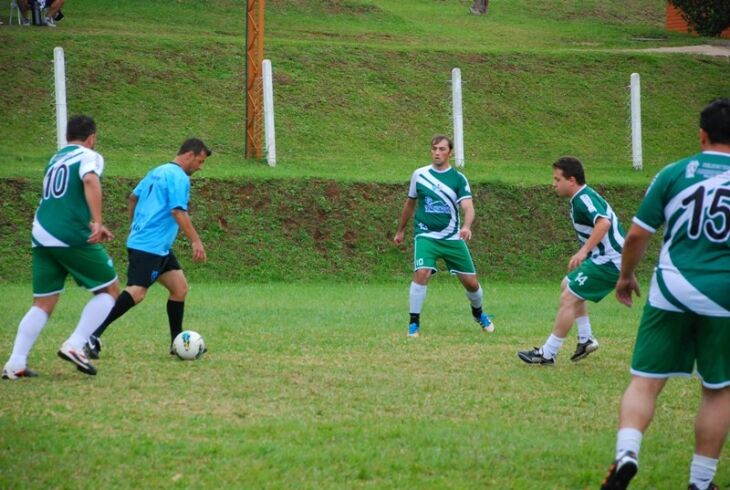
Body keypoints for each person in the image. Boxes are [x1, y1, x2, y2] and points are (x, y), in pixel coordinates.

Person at [601, 98, 730, 490]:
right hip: (724, 296)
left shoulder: (674, 174)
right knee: (718, 389)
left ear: (702, 135)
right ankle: (701, 481)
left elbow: (638, 234)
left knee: (645, 381)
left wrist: (625, 276)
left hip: (671, 291)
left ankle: (627, 453)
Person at [2, 115, 119, 379]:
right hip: (67, 235)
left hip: (41, 233)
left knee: (43, 301)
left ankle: (15, 363)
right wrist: (98, 222)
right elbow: (90, 180)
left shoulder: (54, 160)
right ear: (92, 138)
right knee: (109, 290)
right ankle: (75, 345)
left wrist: (88, 221)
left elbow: (62, 199)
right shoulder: (89, 155)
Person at [85, 138, 211, 358]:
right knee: (137, 292)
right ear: (189, 155)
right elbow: (178, 212)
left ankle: (177, 342)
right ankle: (91, 335)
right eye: (200, 161)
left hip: (156, 245)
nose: (200, 167)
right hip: (149, 246)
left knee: (179, 288)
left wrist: (135, 225)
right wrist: (196, 240)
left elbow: (133, 197)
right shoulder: (179, 177)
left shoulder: (157, 171)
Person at [518, 157, 625, 365]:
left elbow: (603, 223)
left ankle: (547, 354)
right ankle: (585, 339)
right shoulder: (583, 196)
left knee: (569, 297)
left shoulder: (583, 199)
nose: (554, 184)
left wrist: (584, 250)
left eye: (557, 179)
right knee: (568, 285)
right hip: (607, 258)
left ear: (572, 180)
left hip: (611, 260)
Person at [393, 134, 494, 338]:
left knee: (472, 284)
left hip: (451, 238)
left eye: (441, 149)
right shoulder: (419, 175)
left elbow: (469, 207)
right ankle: (414, 324)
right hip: (426, 235)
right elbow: (410, 203)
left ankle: (479, 313)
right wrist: (401, 229)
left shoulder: (458, 179)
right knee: (422, 272)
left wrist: (466, 226)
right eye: (434, 149)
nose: (437, 153)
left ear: (450, 153)